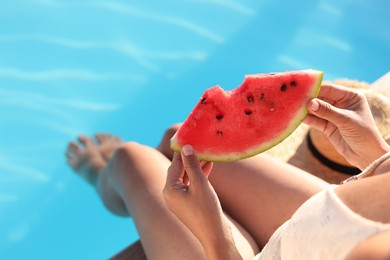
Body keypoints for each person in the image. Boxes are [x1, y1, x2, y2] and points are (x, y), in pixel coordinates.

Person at [66, 83, 390, 259]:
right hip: (330, 224)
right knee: (179, 138)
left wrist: (215, 237)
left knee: (130, 159)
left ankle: (102, 177)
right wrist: (376, 158)